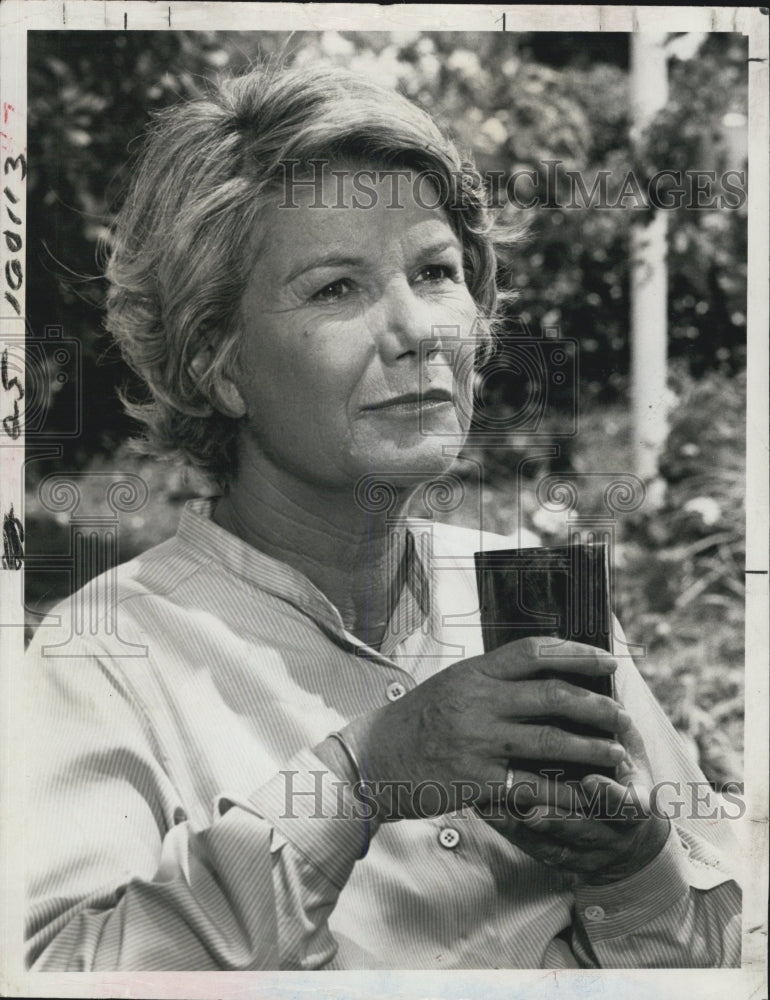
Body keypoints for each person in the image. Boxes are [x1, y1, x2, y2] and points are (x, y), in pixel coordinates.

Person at [24, 61, 741, 971]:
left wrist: (639, 872)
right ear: (219, 364)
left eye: (437, 272)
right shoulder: (106, 660)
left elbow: (731, 955)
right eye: (337, 289)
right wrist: (360, 779)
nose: (418, 331)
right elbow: (57, 973)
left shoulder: (539, 596)